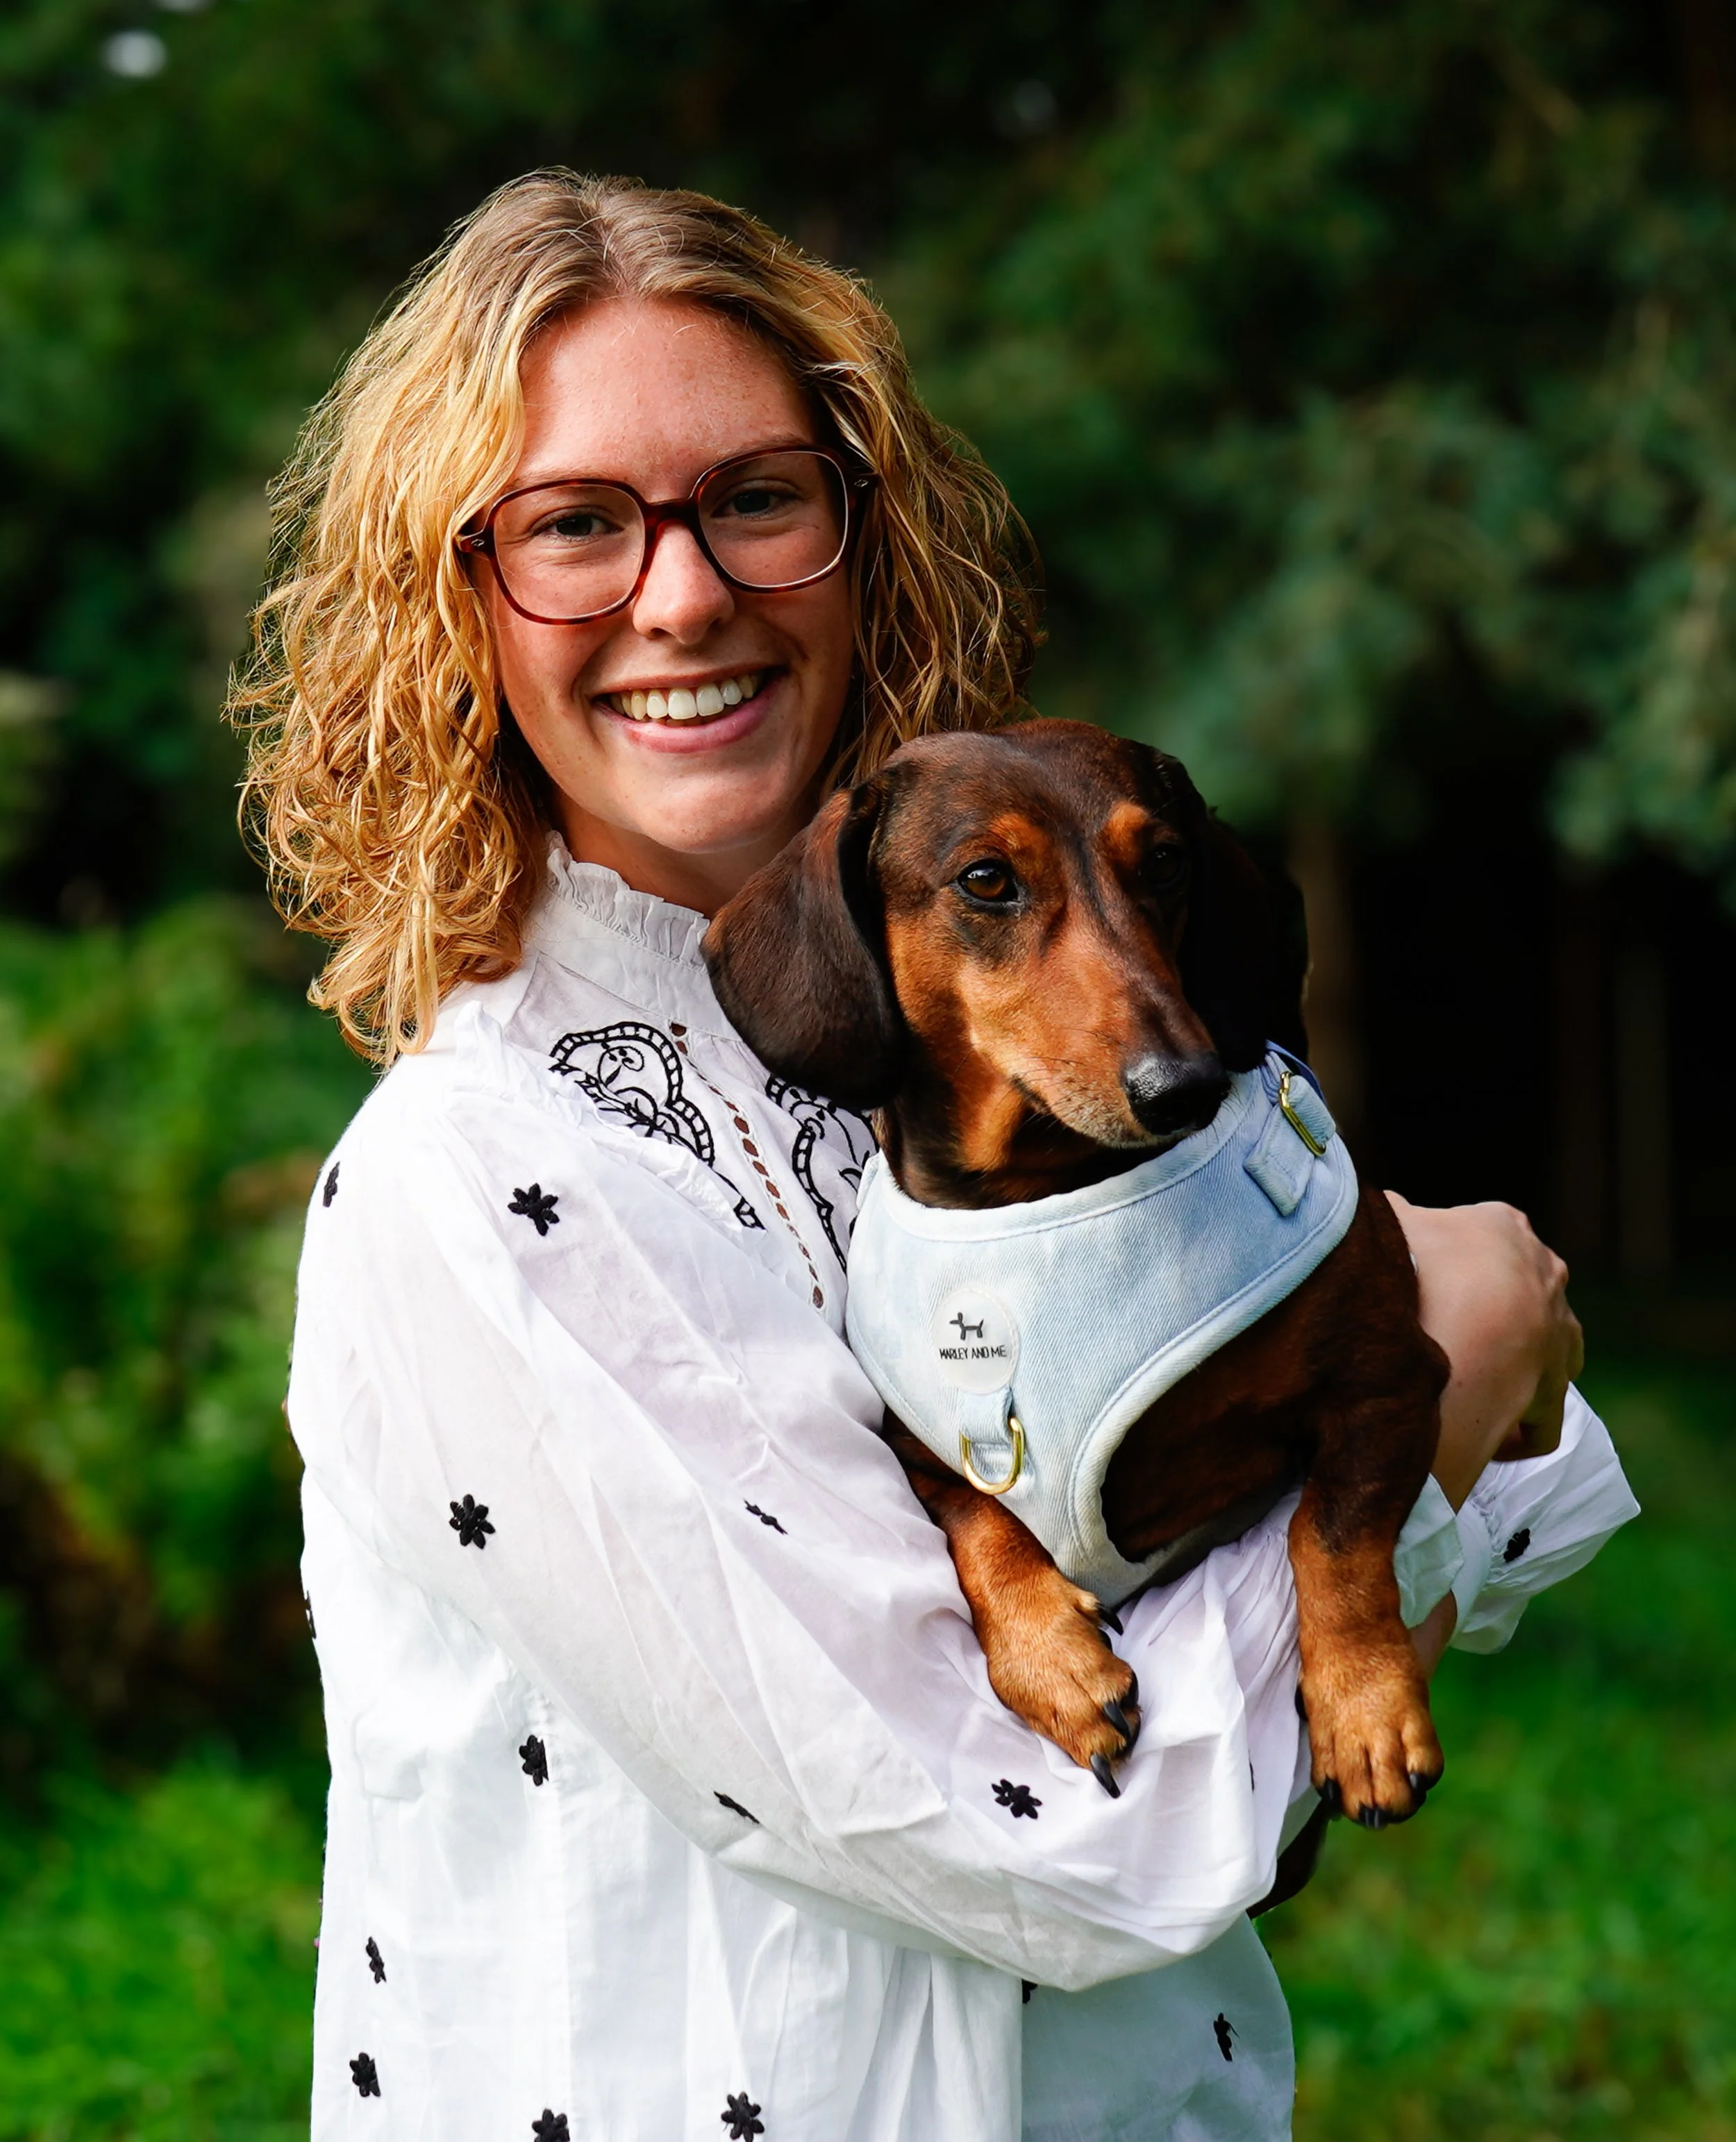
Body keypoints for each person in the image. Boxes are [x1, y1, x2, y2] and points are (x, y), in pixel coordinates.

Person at [235, 171, 1633, 2142]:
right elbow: (1023, 1830)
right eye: (572, 526)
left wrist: (1395, 1419)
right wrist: (1450, 1389)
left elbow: (1231, 1517)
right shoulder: (481, 1181)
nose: (684, 591)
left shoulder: (1004, 1063)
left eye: (753, 496)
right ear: (450, 601)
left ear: (859, 534)